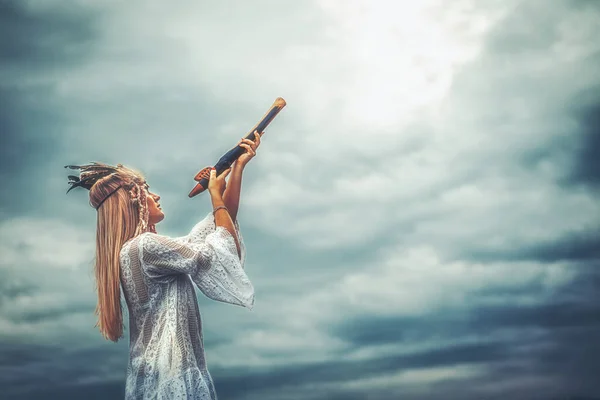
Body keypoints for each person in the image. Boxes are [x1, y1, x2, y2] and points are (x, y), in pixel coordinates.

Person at [65, 132, 262, 399]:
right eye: (146, 190)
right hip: (173, 374)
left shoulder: (138, 251)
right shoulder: (147, 247)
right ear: (133, 201)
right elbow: (222, 246)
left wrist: (237, 168)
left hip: (154, 377)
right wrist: (215, 194)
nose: (155, 196)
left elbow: (219, 227)